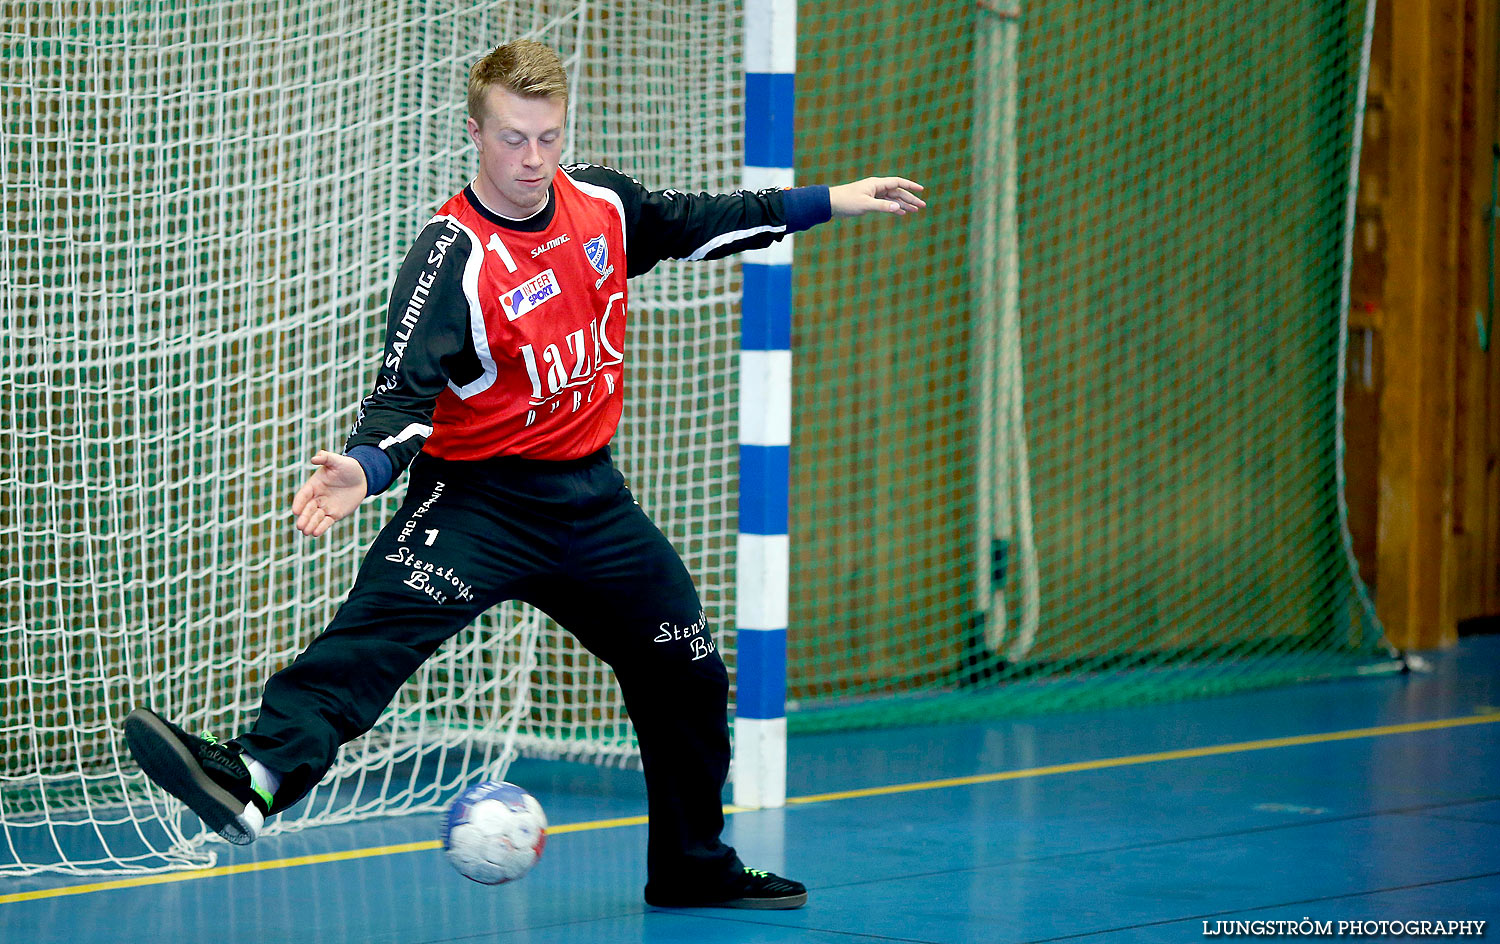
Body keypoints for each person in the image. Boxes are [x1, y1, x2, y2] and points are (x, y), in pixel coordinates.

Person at [124, 38, 924, 910]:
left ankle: (692, 865)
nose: (532, 159)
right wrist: (363, 466)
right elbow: (403, 401)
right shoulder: (449, 256)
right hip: (477, 502)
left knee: (686, 669)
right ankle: (256, 775)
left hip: (591, 502)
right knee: (374, 637)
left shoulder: (601, 205)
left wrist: (830, 201)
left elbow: (698, 219)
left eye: (546, 137)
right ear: (476, 132)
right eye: (512, 139)